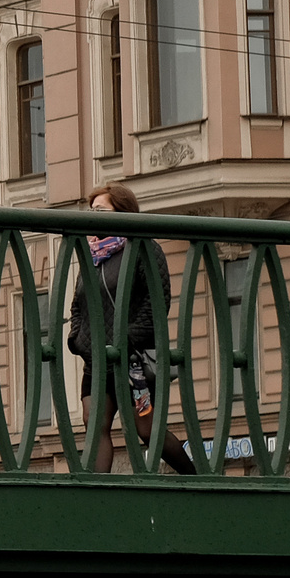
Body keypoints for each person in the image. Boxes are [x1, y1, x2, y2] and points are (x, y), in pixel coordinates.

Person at [67, 183, 201, 475]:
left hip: (134, 359)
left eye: (100, 210)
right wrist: (77, 339)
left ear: (123, 212)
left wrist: (124, 340)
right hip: (97, 361)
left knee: (147, 430)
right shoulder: (93, 256)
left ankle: (198, 481)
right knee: (94, 424)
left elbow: (157, 304)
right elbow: (77, 304)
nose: (92, 216)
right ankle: (98, 494)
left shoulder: (145, 248)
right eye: (91, 211)